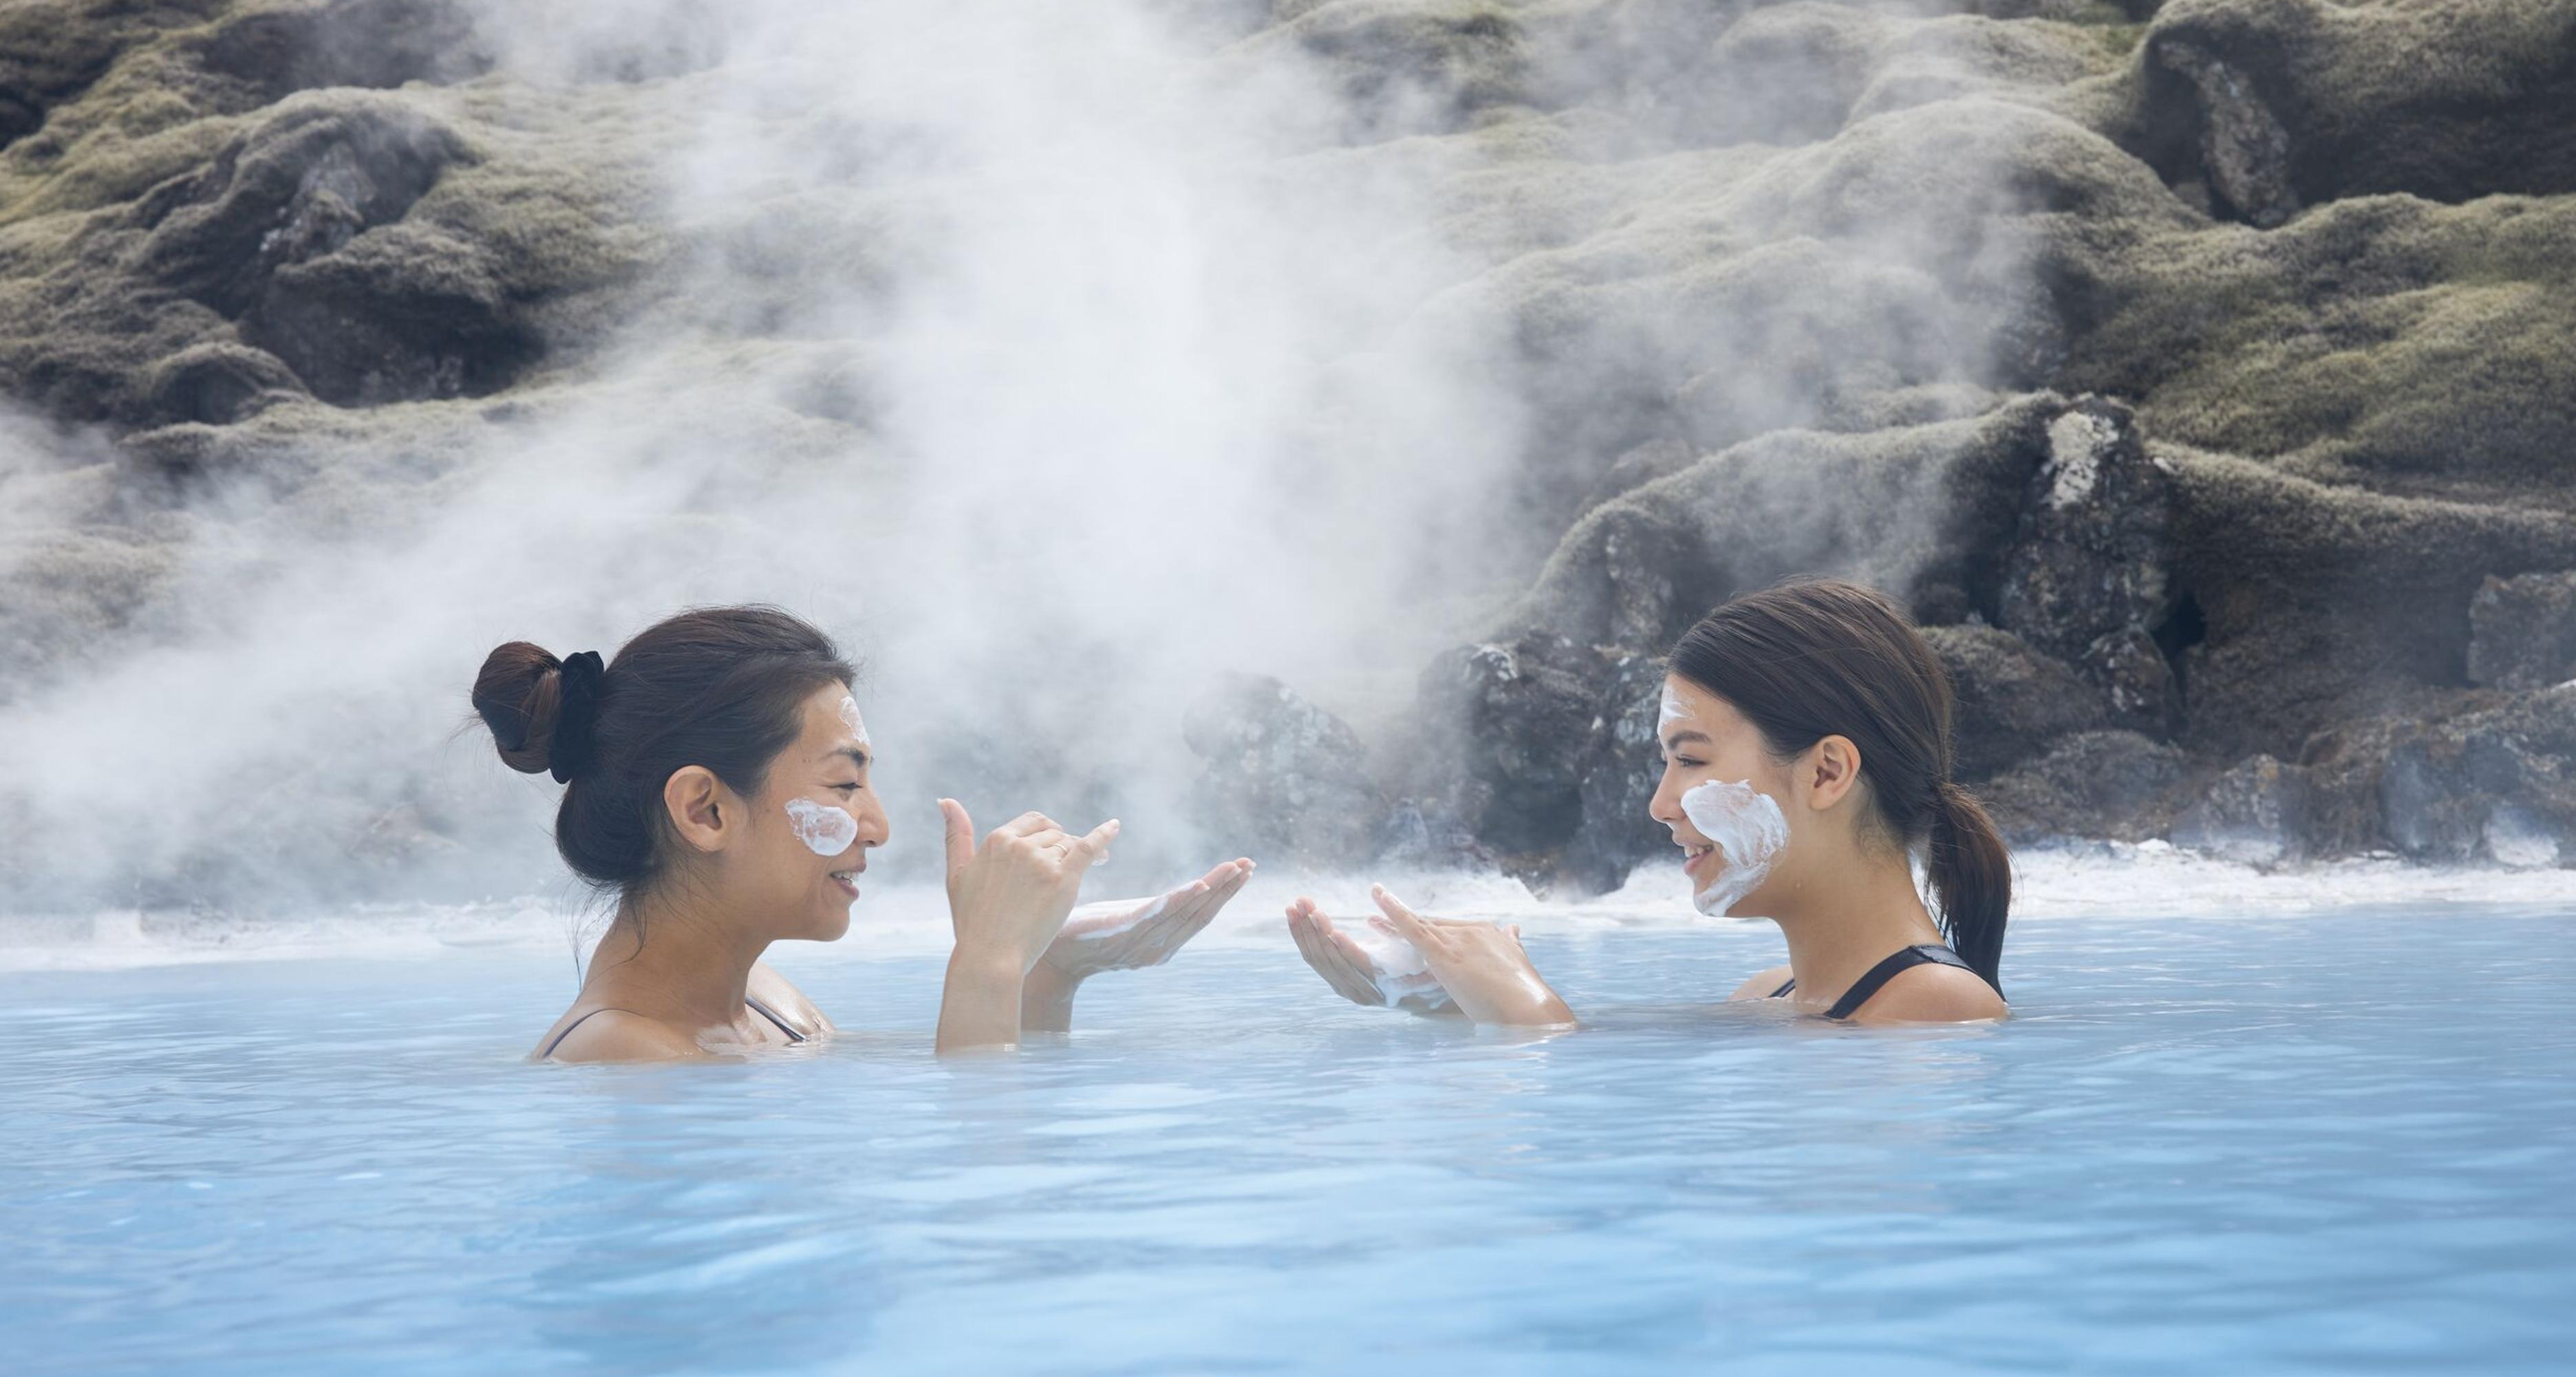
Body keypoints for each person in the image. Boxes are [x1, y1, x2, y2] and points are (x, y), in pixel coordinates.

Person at [473, 605, 1250, 1061]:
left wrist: (1041, 971)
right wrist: (984, 963)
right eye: (845, 784)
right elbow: (968, 1196)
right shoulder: (617, 1054)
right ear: (705, 810)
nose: (876, 825)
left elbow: (991, 1142)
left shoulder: (768, 1007)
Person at [1286, 579, 2008, 1026]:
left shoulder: (1939, 1003)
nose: (1662, 803)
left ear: (1826, 773)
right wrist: (1448, 999)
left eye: (1691, 758)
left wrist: (1531, 1015)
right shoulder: (1766, 997)